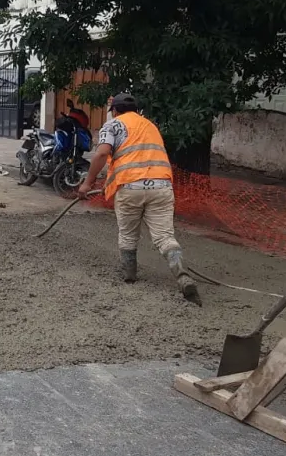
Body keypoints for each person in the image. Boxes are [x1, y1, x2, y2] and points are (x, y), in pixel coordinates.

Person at [77, 93, 199, 302]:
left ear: (114, 111)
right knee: (164, 237)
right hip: (161, 186)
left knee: (128, 234)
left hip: (130, 187)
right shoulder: (150, 125)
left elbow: (101, 153)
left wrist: (87, 183)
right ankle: (182, 275)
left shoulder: (113, 125)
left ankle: (130, 275)